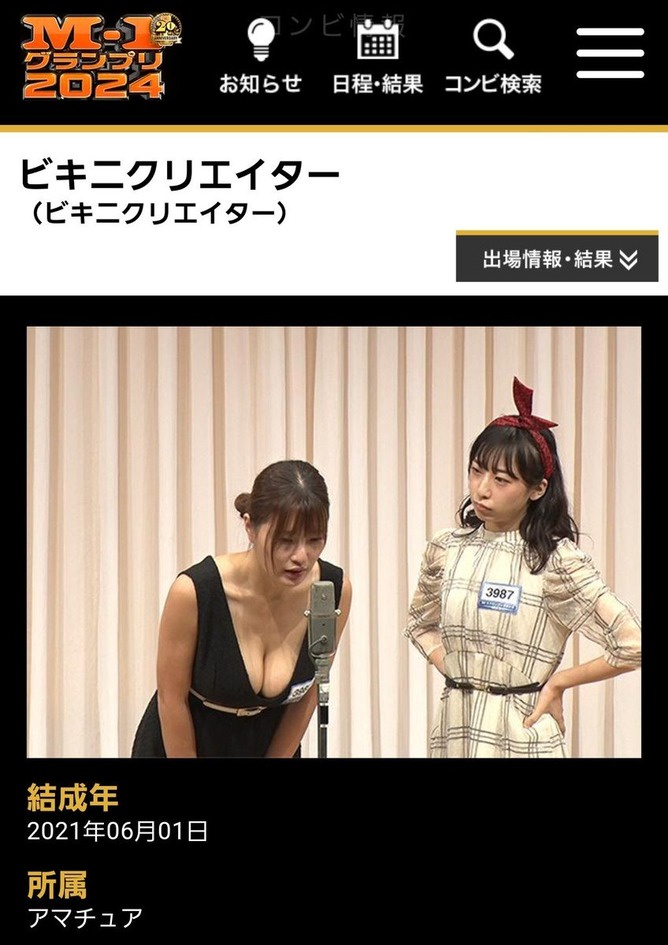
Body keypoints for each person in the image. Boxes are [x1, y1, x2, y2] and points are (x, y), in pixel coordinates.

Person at [404, 377, 641, 758]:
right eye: (476, 471)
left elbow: (632, 643)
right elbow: (419, 623)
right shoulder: (447, 548)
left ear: (538, 489)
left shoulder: (555, 561)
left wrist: (558, 683)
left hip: (522, 731)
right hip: (455, 728)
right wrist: (455, 667)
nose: (482, 489)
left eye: (501, 480)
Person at [132, 459, 352, 758]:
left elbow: (309, 693)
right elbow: (171, 700)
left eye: (314, 540)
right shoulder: (195, 592)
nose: (301, 556)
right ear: (250, 526)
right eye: (285, 541)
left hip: (267, 745)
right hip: (184, 744)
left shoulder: (331, 590)